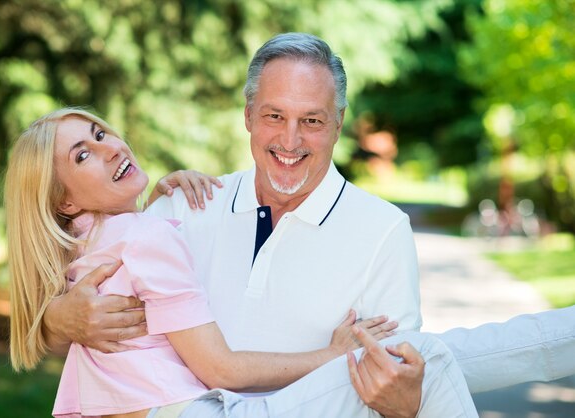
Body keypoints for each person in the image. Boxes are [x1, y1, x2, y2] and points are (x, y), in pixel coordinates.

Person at [41, 32, 575, 417]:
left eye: (312, 120)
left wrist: (405, 403)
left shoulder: (382, 230)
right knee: (429, 354)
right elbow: (77, 306)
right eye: (274, 116)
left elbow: (395, 384)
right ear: (248, 116)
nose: (290, 140)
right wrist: (56, 320)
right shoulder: (184, 206)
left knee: (419, 357)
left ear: (339, 123)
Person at [5, 108, 478, 417]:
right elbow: (223, 371)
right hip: (190, 411)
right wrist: (334, 355)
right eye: (83, 155)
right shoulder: (143, 235)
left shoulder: (87, 248)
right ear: (64, 200)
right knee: (425, 359)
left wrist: (151, 201)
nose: (109, 147)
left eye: (99, 132)